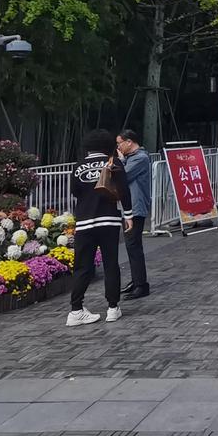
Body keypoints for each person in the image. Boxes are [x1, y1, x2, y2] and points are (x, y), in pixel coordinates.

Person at [67, 129, 129, 327]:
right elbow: (124, 190)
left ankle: (76, 310)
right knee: (111, 264)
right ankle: (112, 308)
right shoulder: (113, 163)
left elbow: (75, 191)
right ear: (107, 144)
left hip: (84, 222)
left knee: (82, 267)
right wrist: (128, 214)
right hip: (108, 220)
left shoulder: (78, 167)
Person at [116, 129, 151, 299]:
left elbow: (124, 176)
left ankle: (141, 284)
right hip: (129, 207)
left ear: (129, 142)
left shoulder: (140, 158)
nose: (118, 147)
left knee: (133, 245)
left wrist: (121, 162)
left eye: (119, 143)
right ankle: (137, 280)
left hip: (136, 208)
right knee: (132, 245)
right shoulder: (132, 158)